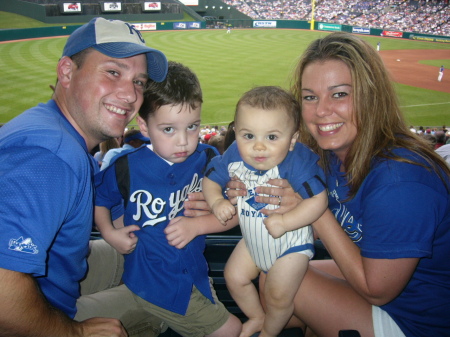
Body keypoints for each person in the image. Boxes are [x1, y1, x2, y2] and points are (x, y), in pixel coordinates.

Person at [227, 32, 450, 337]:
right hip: (390, 287)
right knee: (274, 281)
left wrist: (313, 207)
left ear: (371, 95)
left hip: (419, 320)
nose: (321, 111)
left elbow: (377, 291)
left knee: (289, 285)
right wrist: (223, 206)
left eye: (339, 94)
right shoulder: (333, 155)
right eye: (310, 97)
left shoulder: (401, 182)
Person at [0, 17, 168, 336]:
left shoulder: (58, 130)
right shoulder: (51, 154)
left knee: (150, 253)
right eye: (113, 72)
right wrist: (72, 332)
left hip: (49, 279)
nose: (131, 95)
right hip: (40, 311)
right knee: (168, 294)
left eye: (139, 82)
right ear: (67, 72)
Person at [94, 61, 242, 337]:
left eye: (192, 126)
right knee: (232, 330)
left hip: (192, 275)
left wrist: (200, 225)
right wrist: (109, 233)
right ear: (145, 127)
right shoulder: (126, 167)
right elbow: (100, 199)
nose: (184, 141)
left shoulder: (209, 161)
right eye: (169, 129)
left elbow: (233, 214)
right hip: (155, 282)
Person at [203, 86, 328, 337]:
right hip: (252, 242)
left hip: (289, 245)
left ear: (292, 139)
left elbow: (319, 199)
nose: (258, 147)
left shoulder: (298, 161)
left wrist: (285, 221)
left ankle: (269, 333)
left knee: (277, 297)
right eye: (248, 136)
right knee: (233, 276)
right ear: (236, 132)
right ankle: (257, 317)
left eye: (272, 137)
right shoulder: (233, 155)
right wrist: (217, 202)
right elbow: (210, 179)